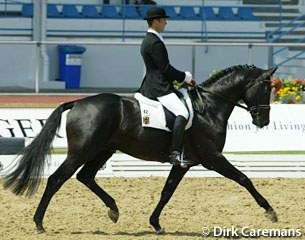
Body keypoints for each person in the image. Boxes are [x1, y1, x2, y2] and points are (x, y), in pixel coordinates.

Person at [138, 7, 195, 166]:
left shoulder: (148, 39)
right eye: (164, 20)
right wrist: (186, 76)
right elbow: (166, 69)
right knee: (182, 112)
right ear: (156, 21)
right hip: (158, 87)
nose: (166, 23)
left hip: (153, 83)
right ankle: (175, 153)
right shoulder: (154, 42)